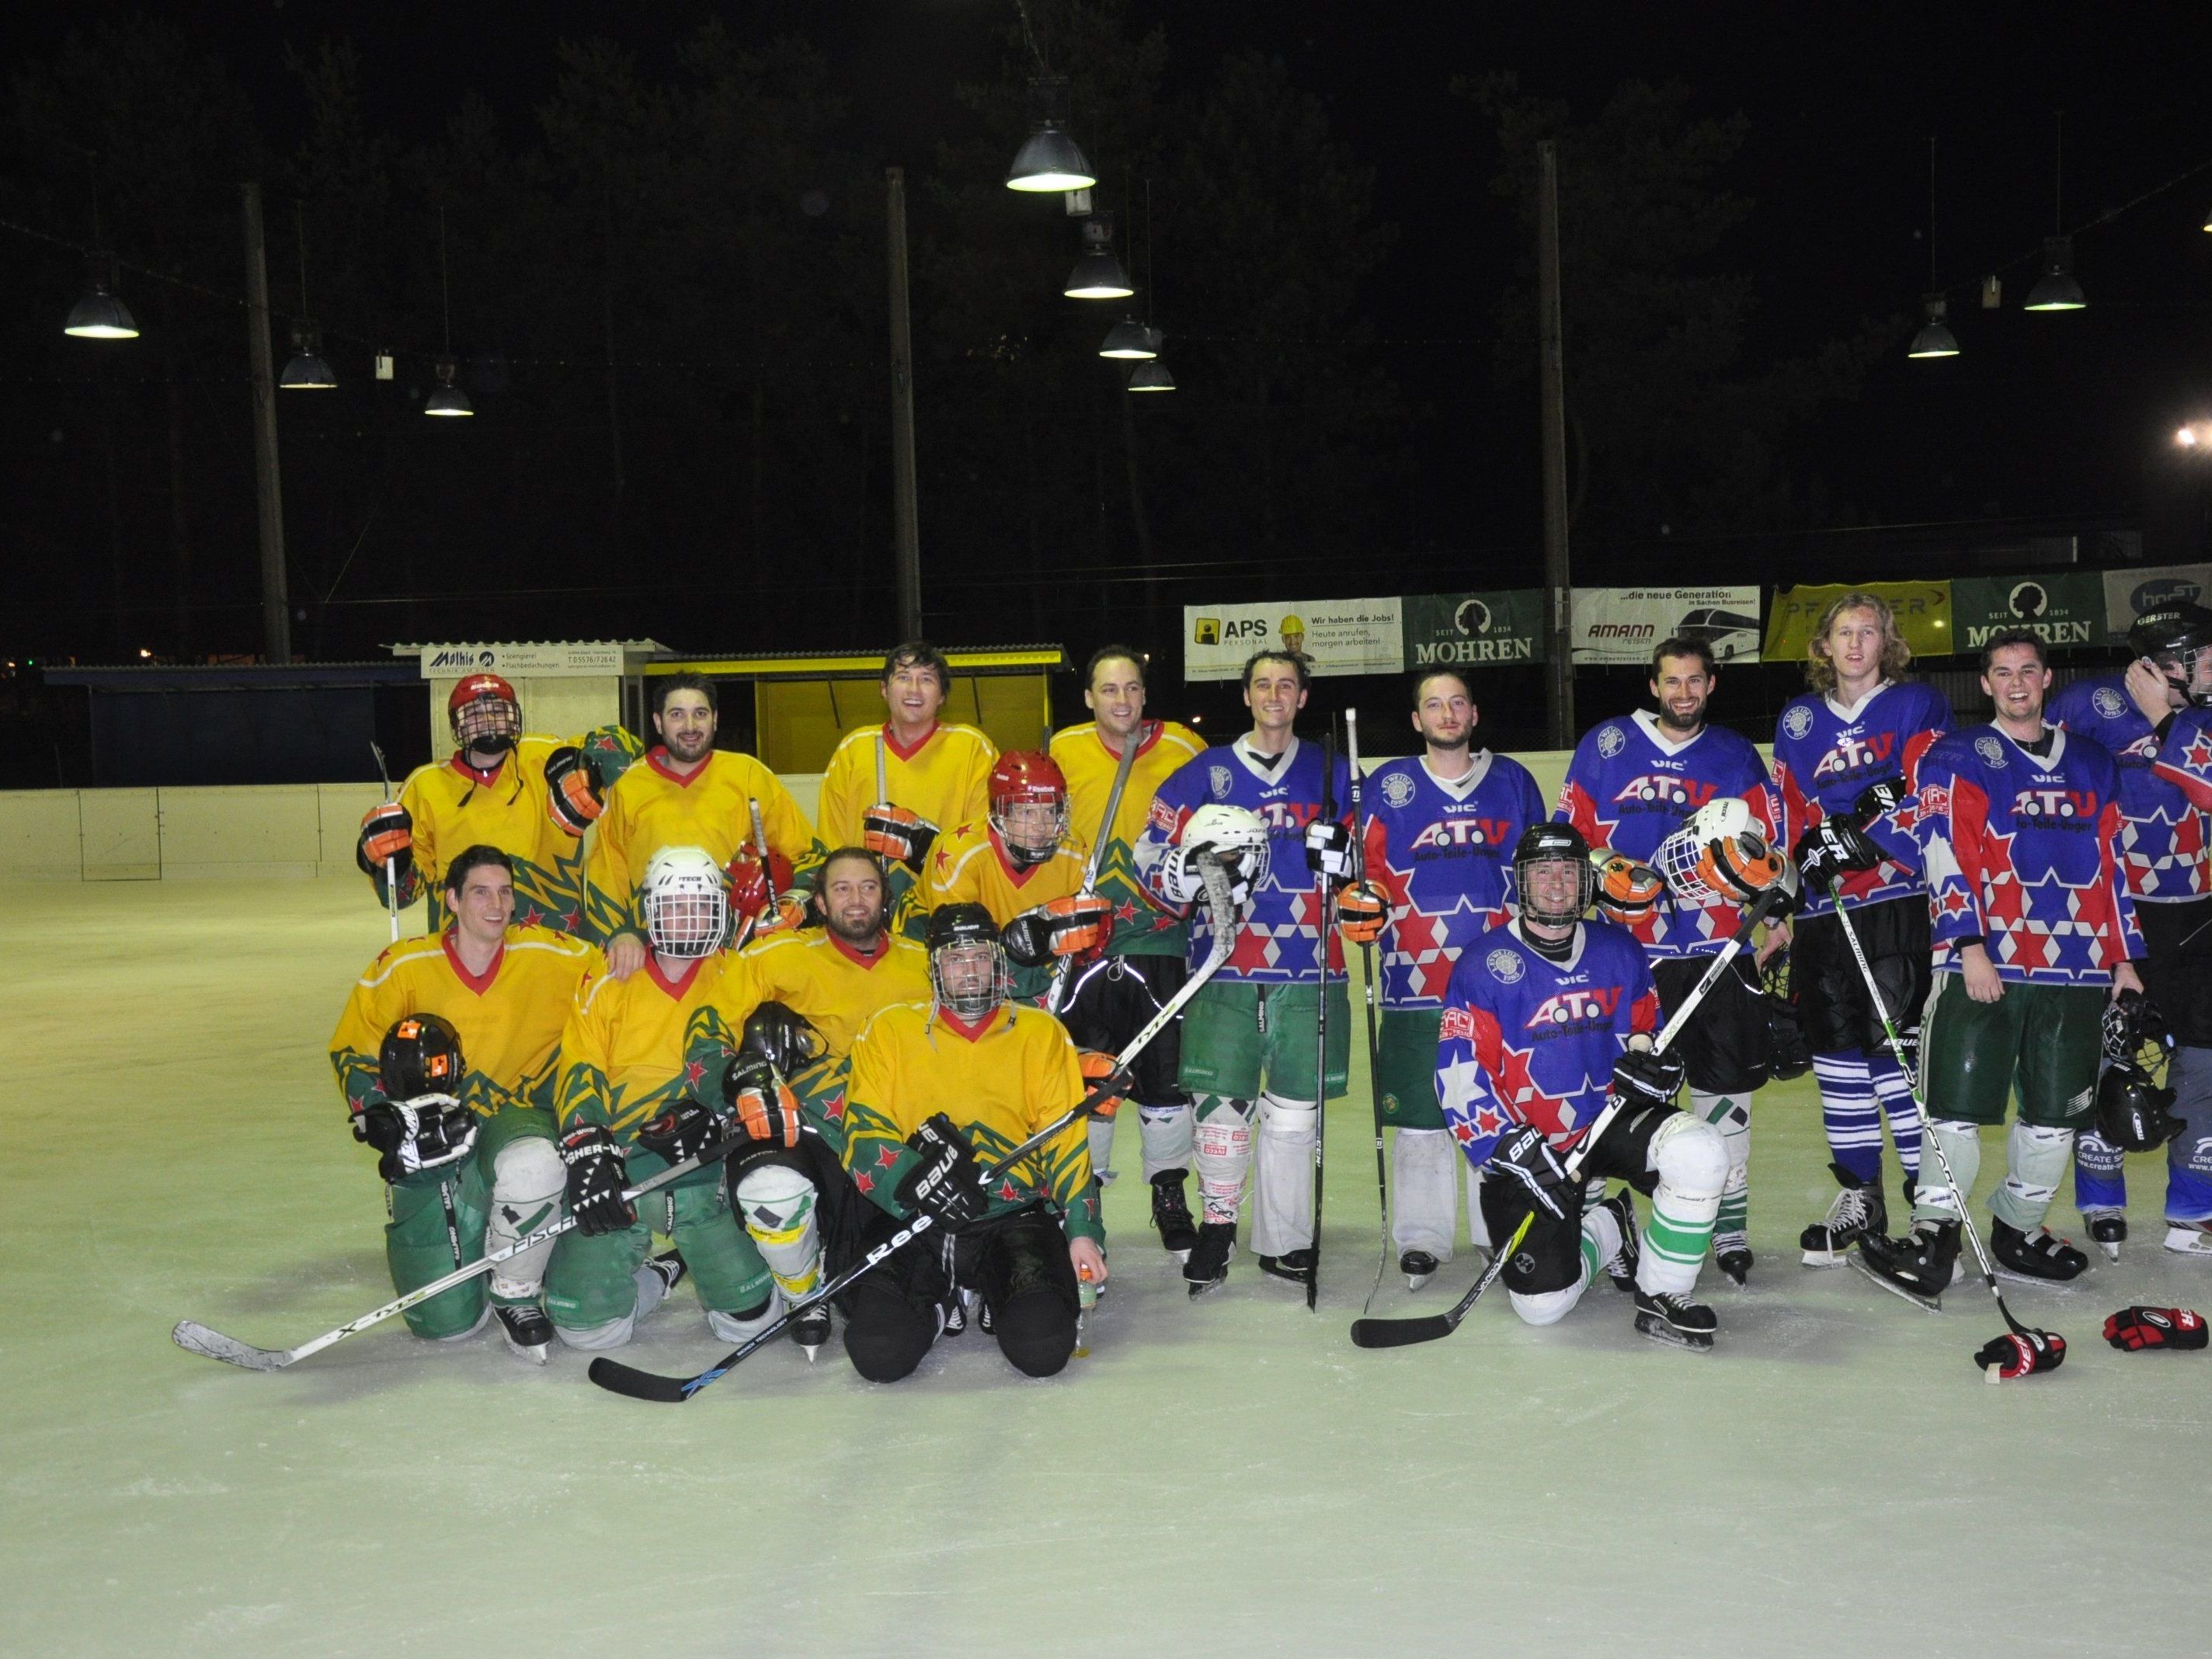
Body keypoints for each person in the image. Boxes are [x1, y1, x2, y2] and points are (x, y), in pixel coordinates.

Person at [1857, 632, 2144, 1303]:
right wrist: (1968, 946)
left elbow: (2113, 864)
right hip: (1986, 963)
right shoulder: (1958, 755)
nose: (2016, 683)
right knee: (1956, 1109)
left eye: (2027, 671)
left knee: (2054, 1117)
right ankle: (1934, 1236)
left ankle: (2018, 1228)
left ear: (2046, 678)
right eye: (2002, 673)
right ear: (1984, 684)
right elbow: (1944, 852)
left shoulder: (2095, 763)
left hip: (2076, 967)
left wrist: (2124, 959)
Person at [1434, 823, 1729, 1350]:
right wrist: (1511, 1146)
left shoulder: (1621, 950)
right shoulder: (1481, 964)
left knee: (1700, 1151)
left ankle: (1662, 1295)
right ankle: (1608, 1225)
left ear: (1585, 882)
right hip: (1530, 1149)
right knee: (1542, 1309)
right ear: (1521, 883)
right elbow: (1458, 1076)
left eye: (1567, 872)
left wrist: (1657, 1069)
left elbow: (1649, 1037)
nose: (1554, 885)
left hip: (1609, 1121)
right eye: (1542, 873)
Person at [1557, 638, 1783, 1285]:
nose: (1683, 693)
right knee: (1622, 1089)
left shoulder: (1735, 754)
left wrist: (1772, 916)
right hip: (1633, 954)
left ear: (1711, 685)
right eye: (1672, 682)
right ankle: (1600, 1215)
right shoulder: (1606, 746)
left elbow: (1768, 845)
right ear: (1653, 686)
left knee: (1725, 1092)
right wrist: (1598, 876)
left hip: (1719, 949)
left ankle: (1730, 1226)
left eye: (1694, 681)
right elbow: (1573, 837)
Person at [1133, 648, 1353, 1294]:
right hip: (1222, 962)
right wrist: (1178, 875)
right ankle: (1219, 1225)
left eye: (1287, 685)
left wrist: (1345, 866)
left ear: (1302, 697)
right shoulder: (1203, 771)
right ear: (1247, 695)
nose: (1275, 695)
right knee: (1220, 1107)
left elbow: (1369, 860)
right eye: (1263, 684)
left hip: (1312, 965)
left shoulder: (1332, 770)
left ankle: (1284, 1240)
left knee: (1292, 1118)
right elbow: (1150, 853)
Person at [328, 844, 599, 1361]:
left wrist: (630, 942)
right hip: (437, 1142)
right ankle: (478, 1253)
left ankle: (514, 1291)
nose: (496, 904)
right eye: (480, 892)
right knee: (445, 1327)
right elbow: (351, 1049)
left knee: (535, 1166)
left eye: (505, 891)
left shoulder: (552, 955)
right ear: (451, 900)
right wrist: (384, 1116)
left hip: (516, 1119)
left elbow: (617, 976)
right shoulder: (403, 965)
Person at [680, 847, 937, 1355]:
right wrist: (738, 1076)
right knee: (771, 1190)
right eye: (842, 888)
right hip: (814, 1131)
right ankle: (802, 1286)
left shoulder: (923, 962)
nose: (856, 899)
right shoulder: (779, 955)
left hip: (897, 1134)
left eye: (868, 887)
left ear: (884, 897)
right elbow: (707, 1027)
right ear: (819, 901)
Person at [836, 903, 1107, 1382]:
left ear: (999, 962)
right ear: (934, 968)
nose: (969, 971)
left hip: (1012, 1216)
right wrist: (918, 1184)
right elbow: (862, 1131)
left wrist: (1083, 1231)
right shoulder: (889, 1030)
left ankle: (995, 1292)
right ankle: (943, 1302)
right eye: (954, 960)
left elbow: (1066, 1143)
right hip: (915, 1219)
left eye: (980, 957)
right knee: (878, 1354)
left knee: (1043, 1348)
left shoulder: (1041, 1032)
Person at [543, 847, 783, 1354]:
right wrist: (588, 1152)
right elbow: (579, 1066)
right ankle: (662, 1271)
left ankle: (700, 1253)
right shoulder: (609, 977)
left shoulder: (740, 973)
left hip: (705, 1173)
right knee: (587, 1331)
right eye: (675, 905)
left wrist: (724, 1115)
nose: (689, 918)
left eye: (700, 904)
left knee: (751, 1322)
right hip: (625, 1168)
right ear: (650, 911)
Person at [1770, 592, 1950, 1264]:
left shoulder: (1916, 704)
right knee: (1838, 1056)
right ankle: (1859, 1196)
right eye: (1843, 633)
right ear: (1823, 646)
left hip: (1894, 902)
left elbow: (1926, 785)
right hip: (1824, 912)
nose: (1854, 644)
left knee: (1894, 1056)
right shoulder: (1797, 719)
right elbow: (1789, 810)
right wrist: (1793, 880)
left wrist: (1865, 841)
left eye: (1868, 632)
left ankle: (1929, 1207)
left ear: (1887, 642)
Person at [1349, 668, 1544, 1289]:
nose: (1447, 713)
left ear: (1474, 713)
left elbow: (1541, 872)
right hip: (1411, 978)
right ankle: (1422, 1240)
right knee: (1420, 1118)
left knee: (1498, 1109)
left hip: (1499, 981)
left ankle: (1497, 1228)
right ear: (1417, 720)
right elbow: (1367, 876)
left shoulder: (1512, 781)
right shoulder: (1389, 785)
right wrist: (1358, 902)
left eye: (1457, 702)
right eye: (1434, 704)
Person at [2050, 602, 2212, 1258]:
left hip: (2197, 911)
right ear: (2169, 659)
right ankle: (2100, 1197)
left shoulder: (2200, 714)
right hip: (2111, 908)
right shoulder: (2085, 704)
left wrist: (2165, 719)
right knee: (2109, 1048)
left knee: (2201, 1052)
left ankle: (2194, 1205)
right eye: (2205, 655)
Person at [1050, 646, 1207, 1248]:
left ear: (1145, 693)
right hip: (1085, 944)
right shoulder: (1063, 750)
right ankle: (1083, 1199)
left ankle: (1168, 1191)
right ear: (1089, 697)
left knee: (1166, 1076)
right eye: (1109, 690)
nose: (1122, 700)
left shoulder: (1182, 751)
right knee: (1085, 1077)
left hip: (1163, 941)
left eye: (1132, 689)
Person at [354, 673, 639, 935]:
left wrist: (592, 768)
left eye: (499, 711)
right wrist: (389, 863)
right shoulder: (425, 786)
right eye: (476, 713)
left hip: (555, 948)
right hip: (467, 958)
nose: (489, 720)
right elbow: (400, 896)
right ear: (458, 724)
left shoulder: (544, 756)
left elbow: (625, 742)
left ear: (514, 716)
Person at [583, 673, 821, 967]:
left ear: (715, 719)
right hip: (655, 953)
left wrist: (790, 903)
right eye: (677, 715)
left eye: (700, 714)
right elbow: (606, 878)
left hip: (735, 953)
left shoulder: (748, 776)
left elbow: (808, 855)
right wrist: (618, 936)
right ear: (658, 723)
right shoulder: (628, 788)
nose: (690, 727)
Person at [816, 642, 1000, 939]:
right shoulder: (854, 749)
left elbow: (986, 846)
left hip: (944, 910)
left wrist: (926, 847)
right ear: (884, 690)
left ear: (942, 696)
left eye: (926, 680)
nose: (914, 689)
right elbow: (831, 845)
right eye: (903, 677)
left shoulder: (972, 748)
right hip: (866, 919)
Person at [923, 751, 1108, 1009]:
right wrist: (1027, 944)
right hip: (961, 970)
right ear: (1000, 813)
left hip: (1040, 981)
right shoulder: (959, 853)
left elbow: (1089, 938)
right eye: (1027, 812)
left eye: (1050, 812)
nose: (1041, 827)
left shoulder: (1072, 849)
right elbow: (957, 952)